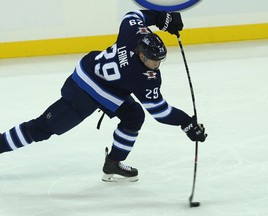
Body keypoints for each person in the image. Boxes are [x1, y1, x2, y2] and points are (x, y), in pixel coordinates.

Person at [0, 10, 207, 182]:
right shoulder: (143, 78)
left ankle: (113, 164)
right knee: (42, 129)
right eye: (153, 60)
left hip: (102, 80)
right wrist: (186, 122)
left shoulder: (133, 34)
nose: (156, 65)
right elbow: (160, 112)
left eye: (160, 60)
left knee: (134, 116)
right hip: (84, 91)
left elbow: (133, 15)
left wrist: (162, 18)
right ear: (141, 54)